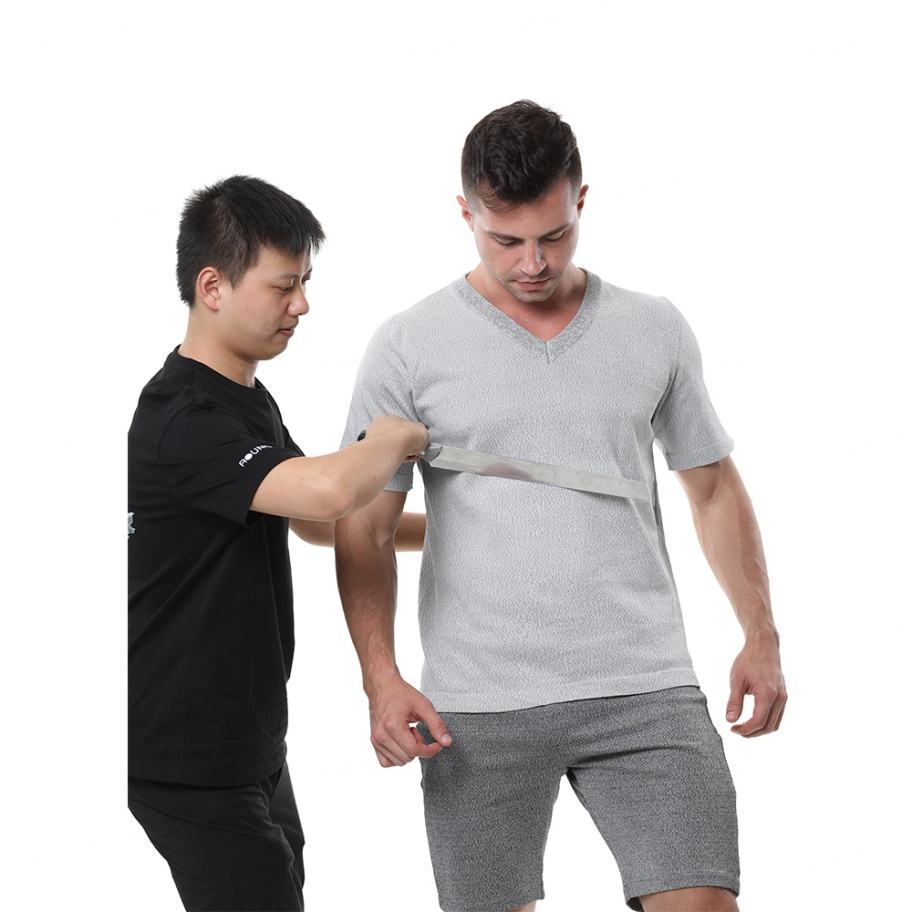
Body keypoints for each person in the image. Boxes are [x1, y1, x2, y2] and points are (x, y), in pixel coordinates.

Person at [334, 101, 786, 912]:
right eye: (505, 240)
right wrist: (381, 678)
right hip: (478, 702)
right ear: (465, 213)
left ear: (582, 200)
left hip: (644, 684)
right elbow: (363, 526)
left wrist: (761, 634)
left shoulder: (653, 327)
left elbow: (713, 485)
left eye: (554, 234)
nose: (533, 262)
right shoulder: (408, 345)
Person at [127, 174, 428, 912]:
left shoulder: (245, 399)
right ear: (213, 287)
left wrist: (460, 532)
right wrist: (392, 438)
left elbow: (316, 520)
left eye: (305, 283)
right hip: (185, 755)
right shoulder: (181, 416)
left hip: (249, 744)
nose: (302, 305)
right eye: (283, 286)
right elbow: (327, 493)